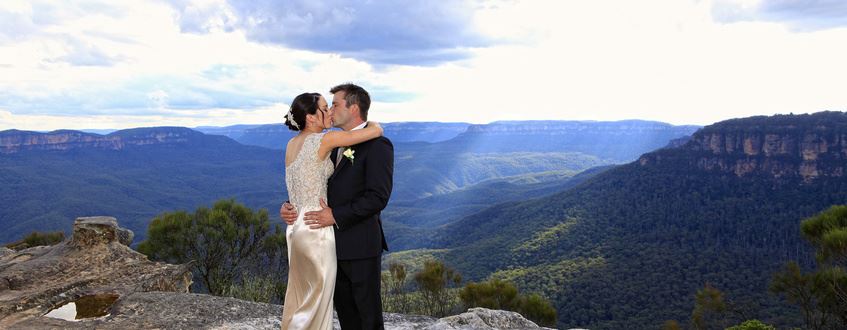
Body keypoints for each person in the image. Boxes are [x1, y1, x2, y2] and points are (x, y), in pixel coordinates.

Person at [281, 83, 393, 330]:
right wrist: (289, 205)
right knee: (344, 316)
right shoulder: (328, 142)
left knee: (367, 317)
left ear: (353, 108)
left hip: (359, 245)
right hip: (326, 242)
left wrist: (335, 215)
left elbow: (378, 197)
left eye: (334, 104)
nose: (330, 110)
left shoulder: (377, 145)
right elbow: (311, 181)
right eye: (327, 107)